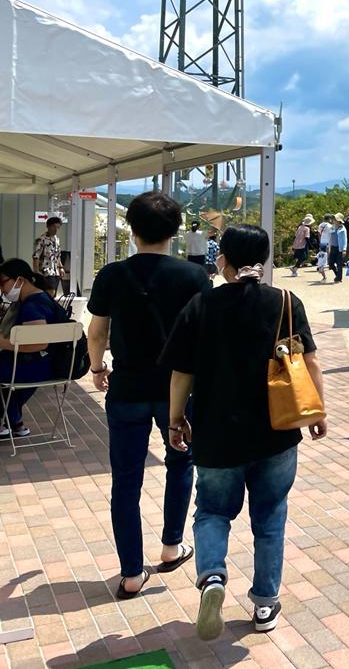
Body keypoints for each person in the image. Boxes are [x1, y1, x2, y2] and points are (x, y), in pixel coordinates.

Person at [163, 225, 327, 640]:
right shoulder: (286, 302)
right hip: (277, 432)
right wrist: (317, 412)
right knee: (270, 517)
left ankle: (213, 579)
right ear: (267, 258)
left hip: (216, 435)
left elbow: (182, 373)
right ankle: (266, 604)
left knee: (213, 511)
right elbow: (309, 363)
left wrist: (175, 418)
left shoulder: (201, 305)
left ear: (224, 260)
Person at [88, 192, 211, 599]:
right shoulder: (194, 277)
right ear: (175, 231)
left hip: (126, 388)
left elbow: (97, 332)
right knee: (181, 462)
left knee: (125, 480)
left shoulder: (111, 275)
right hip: (177, 389)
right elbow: (201, 338)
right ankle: (172, 546)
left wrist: (96, 367)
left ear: (133, 229)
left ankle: (130, 573)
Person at [0, 260, 59, 439]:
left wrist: (2, 343)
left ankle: (12, 422)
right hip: (42, 364)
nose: (2, 289)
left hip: (33, 367)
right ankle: (16, 423)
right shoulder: (40, 298)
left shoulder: (32, 305)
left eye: (2, 282)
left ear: (20, 280)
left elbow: (40, 343)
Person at [31, 217, 64, 296]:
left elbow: (58, 255)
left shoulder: (56, 240)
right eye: (54, 227)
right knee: (49, 293)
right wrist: (36, 272)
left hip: (55, 272)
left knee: (53, 294)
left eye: (58, 227)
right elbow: (36, 256)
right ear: (48, 226)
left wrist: (61, 267)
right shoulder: (41, 240)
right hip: (46, 271)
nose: (56, 230)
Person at [328, 213, 348, 284]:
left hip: (340, 248)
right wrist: (328, 247)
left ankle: (338, 278)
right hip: (333, 247)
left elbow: (345, 239)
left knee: (339, 264)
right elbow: (330, 238)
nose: (333, 220)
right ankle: (337, 275)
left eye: (335, 219)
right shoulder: (332, 227)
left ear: (338, 220)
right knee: (331, 263)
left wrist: (344, 249)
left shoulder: (343, 229)